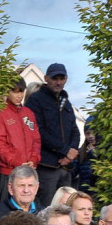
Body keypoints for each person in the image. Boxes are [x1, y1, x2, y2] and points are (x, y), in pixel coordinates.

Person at [25, 63, 80, 207]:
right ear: (46, 78)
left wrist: (70, 154)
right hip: (46, 166)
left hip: (65, 168)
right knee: (46, 208)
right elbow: (38, 131)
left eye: (61, 78)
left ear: (66, 79)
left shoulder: (66, 103)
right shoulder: (35, 100)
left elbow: (75, 130)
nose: (58, 82)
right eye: (55, 78)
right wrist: (65, 150)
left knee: (67, 208)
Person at [0, 76, 40, 203]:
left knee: (28, 211)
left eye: (22, 91)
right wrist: (17, 162)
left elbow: (36, 140)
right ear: (7, 92)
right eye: (15, 91)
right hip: (9, 173)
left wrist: (33, 159)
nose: (19, 95)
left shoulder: (29, 113)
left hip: (29, 172)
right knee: (7, 214)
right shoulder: (0, 113)